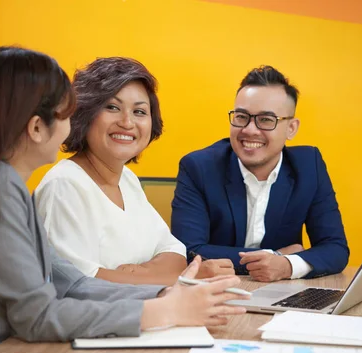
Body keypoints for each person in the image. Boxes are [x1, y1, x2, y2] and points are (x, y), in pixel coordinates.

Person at [0, 47, 245, 353]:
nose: (71, 126)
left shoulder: (8, 187)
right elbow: (38, 316)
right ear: (38, 127)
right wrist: (159, 311)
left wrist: (163, 295)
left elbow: (71, 282)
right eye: (67, 114)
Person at [35, 57, 234, 285]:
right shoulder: (64, 185)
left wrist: (137, 274)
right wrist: (180, 279)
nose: (127, 122)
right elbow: (78, 285)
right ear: (85, 113)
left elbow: (175, 253)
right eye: (112, 107)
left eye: (139, 112)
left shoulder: (127, 179)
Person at [171, 66, 349, 282]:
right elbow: (189, 251)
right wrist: (276, 256)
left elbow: (335, 248)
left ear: (291, 128)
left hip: (282, 292)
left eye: (266, 120)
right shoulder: (198, 167)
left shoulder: (308, 166)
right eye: (241, 116)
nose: (250, 130)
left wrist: (285, 266)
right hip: (218, 289)